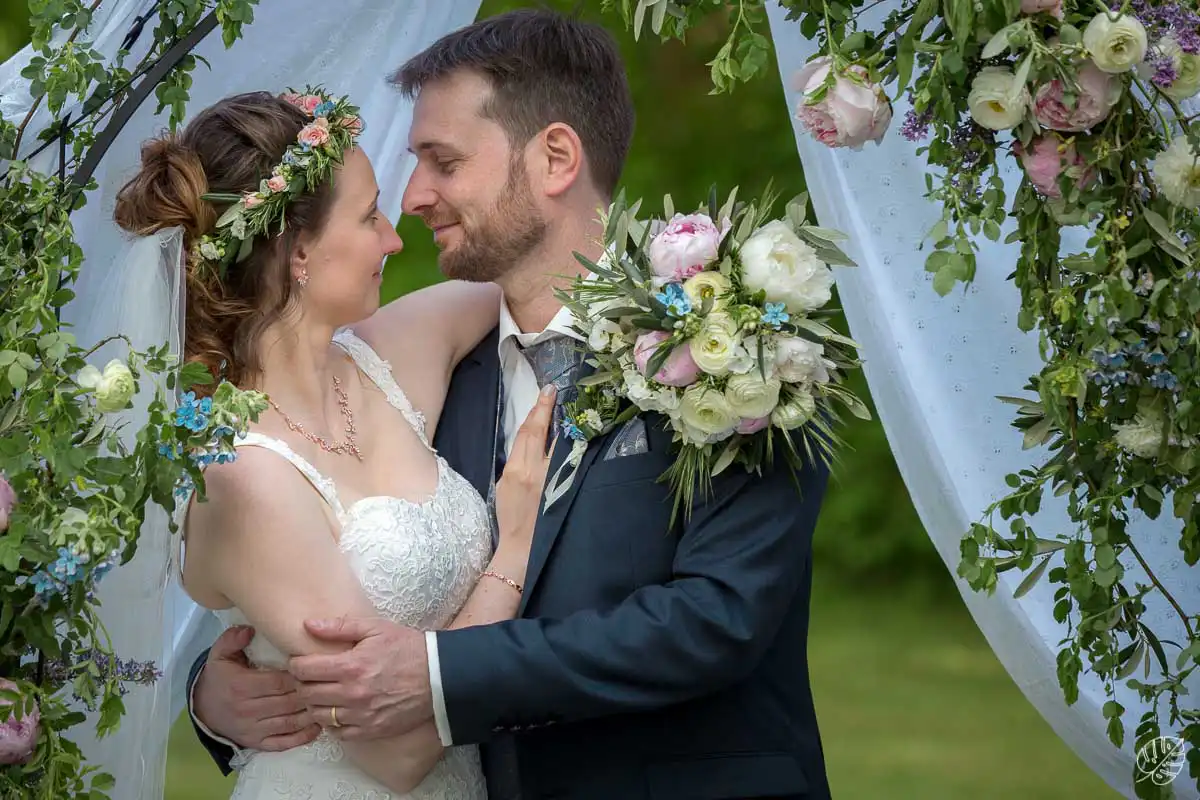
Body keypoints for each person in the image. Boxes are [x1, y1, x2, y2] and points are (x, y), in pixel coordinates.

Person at [191, 9, 833, 799]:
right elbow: (311, 562)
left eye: (443, 161)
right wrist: (218, 694)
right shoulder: (422, 375)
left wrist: (438, 675)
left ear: (556, 157)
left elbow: (719, 618)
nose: (415, 197)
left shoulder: (736, 345)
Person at [115, 86, 557, 797]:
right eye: (369, 213)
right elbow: (400, 752)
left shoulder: (397, 354)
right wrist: (512, 549)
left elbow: (544, 271)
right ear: (297, 253)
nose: (393, 235)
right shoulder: (241, 474)